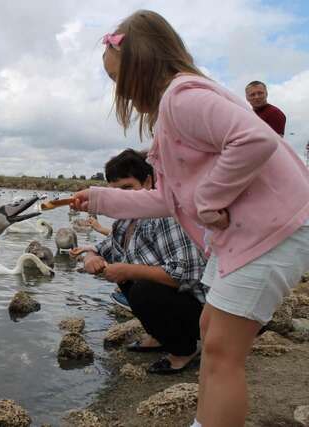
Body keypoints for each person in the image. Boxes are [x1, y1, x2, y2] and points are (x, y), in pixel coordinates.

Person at [72, 10, 309, 427]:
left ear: (142, 64)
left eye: (118, 80)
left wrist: (208, 200)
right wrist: (97, 199)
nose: (121, 94)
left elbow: (254, 140)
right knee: (209, 326)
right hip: (245, 235)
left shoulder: (183, 98)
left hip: (273, 229)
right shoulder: (173, 112)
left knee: (220, 353)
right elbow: (166, 198)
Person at [72, 149, 207, 374]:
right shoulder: (125, 222)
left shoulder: (166, 217)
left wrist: (128, 270)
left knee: (142, 288)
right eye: (115, 192)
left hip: (204, 313)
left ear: (148, 182)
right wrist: (91, 257)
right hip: (179, 304)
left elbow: (186, 276)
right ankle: (159, 337)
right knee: (130, 280)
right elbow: (101, 249)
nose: (121, 198)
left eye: (127, 188)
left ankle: (183, 350)